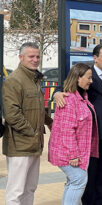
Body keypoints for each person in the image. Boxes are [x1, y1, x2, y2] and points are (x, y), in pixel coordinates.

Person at [54, 44, 102, 205]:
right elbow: (66, 87)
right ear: (95, 58)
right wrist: (55, 94)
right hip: (92, 137)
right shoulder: (86, 77)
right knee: (88, 179)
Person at [2, 42, 53, 205]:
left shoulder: (34, 79)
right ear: (20, 57)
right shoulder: (14, 80)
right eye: (31, 56)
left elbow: (37, 109)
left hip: (34, 144)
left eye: (38, 56)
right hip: (20, 146)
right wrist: (32, 132)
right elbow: (12, 114)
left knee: (30, 189)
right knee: (15, 192)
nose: (35, 60)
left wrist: (50, 122)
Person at [48, 63, 98, 204]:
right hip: (68, 154)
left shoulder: (82, 97)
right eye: (88, 78)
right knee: (79, 180)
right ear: (77, 78)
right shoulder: (69, 99)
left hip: (76, 152)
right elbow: (67, 130)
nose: (91, 81)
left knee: (73, 182)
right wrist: (73, 154)